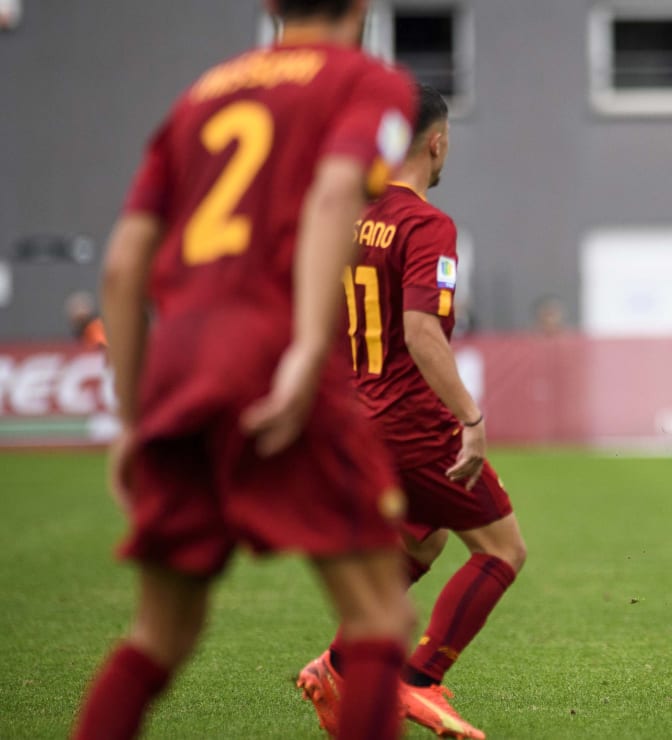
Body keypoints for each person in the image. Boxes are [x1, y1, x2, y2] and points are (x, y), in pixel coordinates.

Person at [70, 2, 421, 739]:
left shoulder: (203, 95)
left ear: (268, 4)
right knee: (380, 614)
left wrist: (134, 419)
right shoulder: (369, 82)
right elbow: (334, 194)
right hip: (271, 350)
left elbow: (124, 265)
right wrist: (301, 348)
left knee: (157, 635)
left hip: (180, 365)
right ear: (361, 5)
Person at [297, 85, 526, 740]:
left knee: (420, 540)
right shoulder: (428, 225)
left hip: (354, 417)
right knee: (503, 550)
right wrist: (471, 420)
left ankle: (336, 665)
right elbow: (423, 331)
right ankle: (419, 679)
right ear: (436, 141)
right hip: (412, 423)